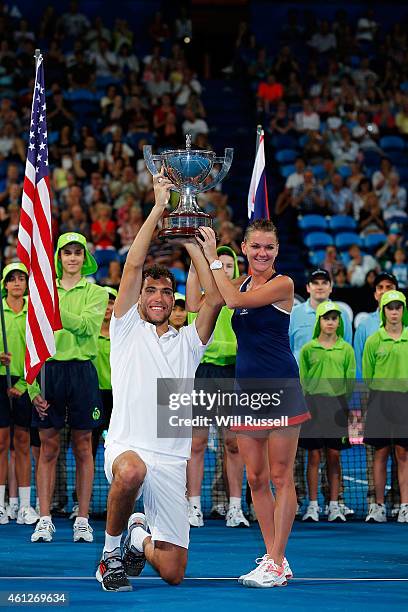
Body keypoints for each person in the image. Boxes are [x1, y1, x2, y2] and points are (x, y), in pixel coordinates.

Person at [96, 172, 222, 592]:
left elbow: (216, 299)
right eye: (151, 290)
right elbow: (133, 264)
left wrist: (192, 245)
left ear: (174, 301)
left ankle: (137, 536)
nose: (157, 298)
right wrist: (158, 207)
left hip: (171, 457)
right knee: (130, 472)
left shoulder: (189, 342)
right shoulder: (125, 327)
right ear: (140, 296)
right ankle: (110, 555)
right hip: (128, 445)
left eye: (166, 293)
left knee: (172, 573)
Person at [198, 219, 310, 588]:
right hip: (246, 392)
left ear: (277, 251)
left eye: (270, 247)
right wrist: (194, 250)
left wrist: (214, 257)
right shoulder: (242, 282)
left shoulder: (283, 284)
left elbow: (233, 301)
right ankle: (274, 556)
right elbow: (209, 297)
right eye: (256, 246)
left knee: (281, 476)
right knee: (256, 479)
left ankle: (276, 561)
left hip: (280, 389)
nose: (263, 253)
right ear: (245, 248)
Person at [29, 232, 108, 543]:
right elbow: (31, 339)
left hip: (83, 373)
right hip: (49, 371)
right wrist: (31, 385)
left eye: (78, 252)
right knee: (47, 448)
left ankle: (83, 519)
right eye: (67, 253)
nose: (73, 257)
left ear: (84, 257)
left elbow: (88, 326)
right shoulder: (42, 293)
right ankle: (44, 518)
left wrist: (51, 307)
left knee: (83, 447)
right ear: (59, 258)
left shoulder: (98, 292)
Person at [186, 246, 248, 528]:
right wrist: (194, 256)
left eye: (228, 265)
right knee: (196, 443)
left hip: (234, 374)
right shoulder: (203, 300)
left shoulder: (243, 300)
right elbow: (190, 298)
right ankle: (193, 506)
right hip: (203, 373)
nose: (224, 268)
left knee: (233, 443)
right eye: (217, 264)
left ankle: (235, 508)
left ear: (236, 270)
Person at [299, 302, 356, 523]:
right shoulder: (308, 349)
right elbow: (303, 380)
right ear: (319, 321)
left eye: (334, 318)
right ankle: (312, 505)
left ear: (338, 322)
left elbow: (349, 381)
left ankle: (333, 505)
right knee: (313, 456)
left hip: (337, 406)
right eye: (326, 318)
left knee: (334, 456)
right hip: (312, 405)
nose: (330, 322)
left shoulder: (347, 349)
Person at [363, 290, 408, 524]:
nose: (394, 312)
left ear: (403, 311)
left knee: (403, 454)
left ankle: (405, 506)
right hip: (380, 400)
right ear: (384, 311)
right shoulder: (374, 340)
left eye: (398, 308)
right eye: (390, 308)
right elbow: (368, 376)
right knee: (380, 454)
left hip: (405, 402)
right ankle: (378, 506)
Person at [0, 263, 40, 525]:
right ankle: (3, 506)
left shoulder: (33, 313)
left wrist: (25, 385)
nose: (16, 283)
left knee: (23, 443)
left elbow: (38, 351)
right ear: (5, 284)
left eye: (21, 278)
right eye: (11, 279)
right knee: (2, 443)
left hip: (27, 382)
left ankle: (24, 505)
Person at [289, 269, 352, 363]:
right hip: (300, 375)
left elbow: (347, 348)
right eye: (315, 283)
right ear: (308, 288)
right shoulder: (293, 314)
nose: (320, 287)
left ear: (330, 287)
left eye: (324, 283)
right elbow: (287, 348)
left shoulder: (342, 313)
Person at [91, 286, 118, 459]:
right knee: (89, 444)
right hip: (93, 396)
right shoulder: (87, 334)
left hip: (118, 396)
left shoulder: (124, 335)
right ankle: (84, 486)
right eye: (102, 303)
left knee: (117, 445)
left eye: (110, 303)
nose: (106, 308)